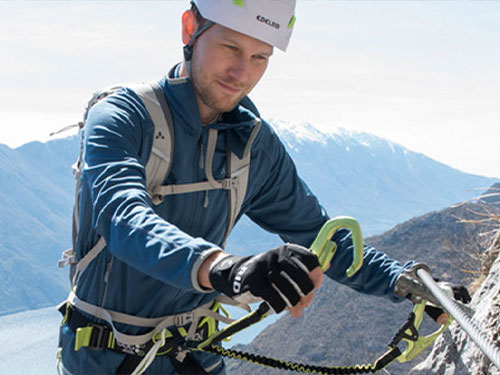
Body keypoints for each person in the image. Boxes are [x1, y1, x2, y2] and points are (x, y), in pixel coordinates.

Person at [58, 1, 470, 374]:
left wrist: (409, 285)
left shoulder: (252, 146)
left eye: (260, 57)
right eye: (230, 49)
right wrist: (225, 268)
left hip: (194, 357)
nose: (243, 74)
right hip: (104, 360)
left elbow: (323, 238)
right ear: (190, 30)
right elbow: (123, 218)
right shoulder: (122, 117)